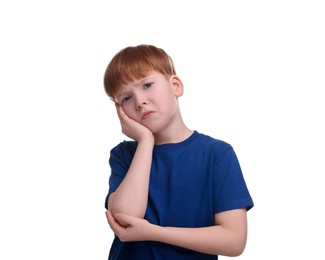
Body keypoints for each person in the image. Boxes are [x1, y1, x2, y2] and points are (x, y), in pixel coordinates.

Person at [103, 44, 254, 259]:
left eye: (147, 85)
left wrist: (154, 233)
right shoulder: (124, 154)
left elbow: (234, 241)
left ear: (175, 85)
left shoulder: (216, 154)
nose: (139, 101)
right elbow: (125, 217)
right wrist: (146, 141)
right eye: (126, 98)